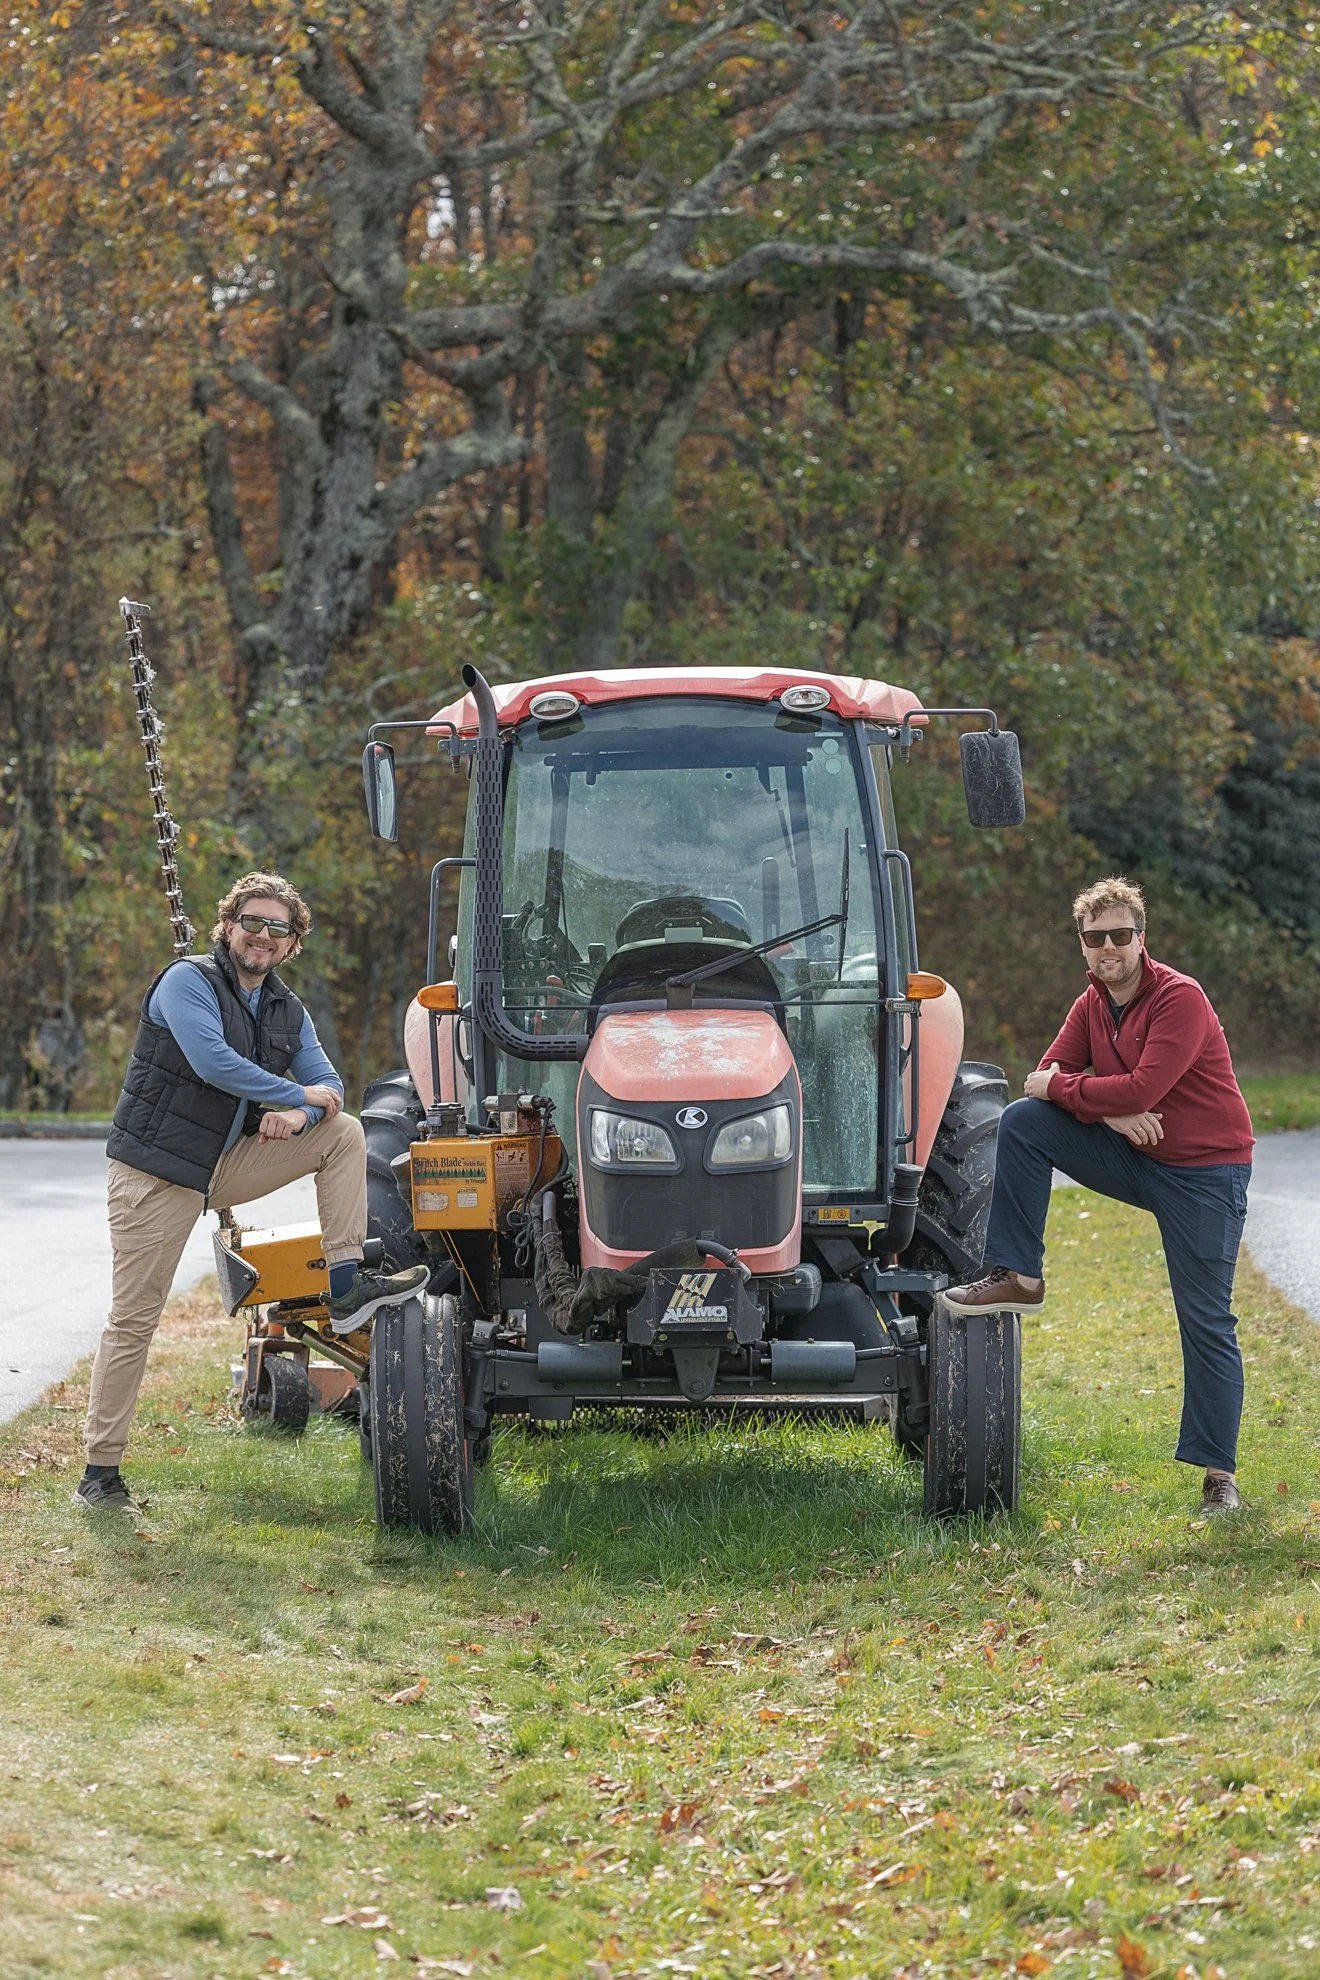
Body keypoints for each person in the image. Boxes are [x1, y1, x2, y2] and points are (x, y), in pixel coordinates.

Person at [76, 872, 428, 1512]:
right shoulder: (186, 982)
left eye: (279, 928)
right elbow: (212, 1060)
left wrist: (300, 1116)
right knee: (135, 1320)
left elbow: (329, 1088)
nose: (263, 936)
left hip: (224, 1163)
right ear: (228, 927)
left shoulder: (287, 1010)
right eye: (253, 922)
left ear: (293, 943)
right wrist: (294, 1095)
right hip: (156, 1173)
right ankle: (100, 1474)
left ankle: (346, 1285)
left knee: (342, 1133)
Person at [945, 876, 1254, 1514]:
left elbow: (1134, 1089)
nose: (1108, 947)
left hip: (1205, 1171)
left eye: (1120, 934)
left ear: (1142, 939)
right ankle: (1019, 1273)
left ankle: (1219, 1477)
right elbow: (1041, 1081)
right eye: (1095, 938)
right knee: (1023, 1123)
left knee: (1206, 1321)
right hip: (1136, 1153)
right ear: (1083, 945)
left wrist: (1102, 1096)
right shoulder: (1090, 1003)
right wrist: (1110, 1112)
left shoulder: (1180, 1000)